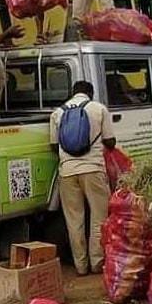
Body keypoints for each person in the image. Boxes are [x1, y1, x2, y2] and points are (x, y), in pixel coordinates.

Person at [49, 81, 116, 275]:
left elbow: (54, 145)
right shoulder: (98, 109)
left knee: (74, 220)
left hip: (67, 172)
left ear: (73, 93)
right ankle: (97, 263)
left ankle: (80, 266)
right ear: (90, 93)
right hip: (93, 169)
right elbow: (110, 141)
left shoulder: (57, 113)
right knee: (99, 217)